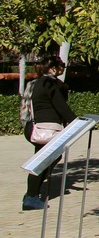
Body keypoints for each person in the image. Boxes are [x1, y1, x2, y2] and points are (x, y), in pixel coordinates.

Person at [22, 56, 76, 211]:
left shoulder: (39, 83)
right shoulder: (50, 84)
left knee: (44, 159)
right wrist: (76, 121)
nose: (63, 69)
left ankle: (32, 195)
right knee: (43, 161)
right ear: (53, 68)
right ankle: (31, 196)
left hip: (38, 126)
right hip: (47, 128)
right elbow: (61, 106)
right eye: (62, 66)